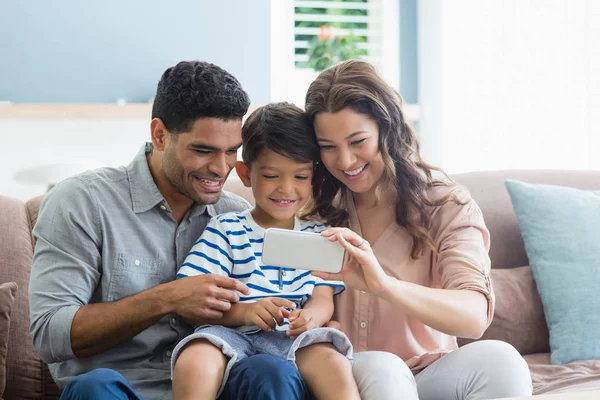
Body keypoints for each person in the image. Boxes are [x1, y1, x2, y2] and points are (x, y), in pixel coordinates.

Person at [28, 61, 308, 400]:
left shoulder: (237, 216)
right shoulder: (81, 201)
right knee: (93, 388)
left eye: (231, 152)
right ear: (160, 134)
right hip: (118, 390)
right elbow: (49, 335)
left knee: (272, 370)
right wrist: (168, 298)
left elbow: (295, 293)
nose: (221, 169)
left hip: (218, 388)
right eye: (203, 151)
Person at [302, 59, 534, 400]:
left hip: (429, 374)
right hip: (350, 375)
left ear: (388, 130)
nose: (346, 161)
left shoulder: (444, 203)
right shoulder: (311, 205)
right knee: (384, 367)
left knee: (502, 360)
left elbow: (473, 315)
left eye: (358, 141)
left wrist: (386, 286)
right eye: (329, 147)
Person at [171, 102, 360, 400]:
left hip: (295, 336)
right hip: (231, 333)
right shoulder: (227, 228)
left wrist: (311, 317)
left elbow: (323, 298)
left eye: (300, 177)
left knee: (333, 364)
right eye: (272, 176)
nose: (286, 189)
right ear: (246, 174)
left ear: (314, 177)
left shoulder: (319, 236)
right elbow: (198, 299)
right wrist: (247, 311)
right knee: (196, 360)